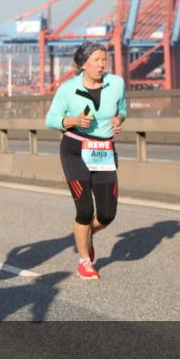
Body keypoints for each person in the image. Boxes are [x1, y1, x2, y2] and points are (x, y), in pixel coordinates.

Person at [45, 41, 127, 280]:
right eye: (96, 60)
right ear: (83, 64)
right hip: (75, 150)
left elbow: (123, 108)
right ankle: (84, 260)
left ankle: (85, 235)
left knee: (107, 214)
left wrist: (119, 119)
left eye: (104, 59)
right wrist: (73, 121)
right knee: (84, 210)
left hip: (104, 150)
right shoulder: (68, 89)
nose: (102, 65)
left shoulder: (117, 83)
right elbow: (51, 120)